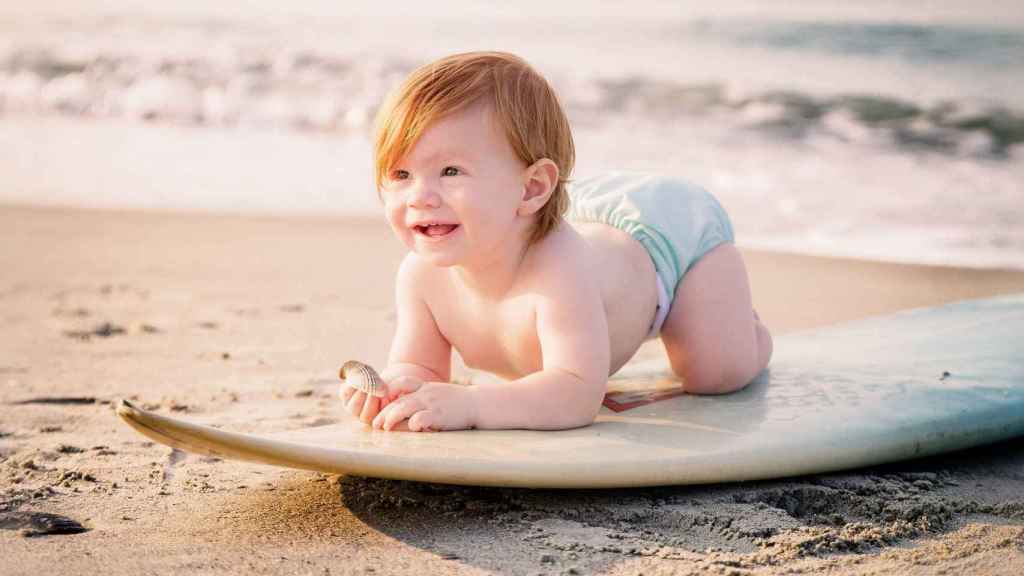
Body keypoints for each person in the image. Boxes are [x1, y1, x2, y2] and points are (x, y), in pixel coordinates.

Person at [342, 51, 772, 431]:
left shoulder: (558, 268)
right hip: (598, 226)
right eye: (401, 175)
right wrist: (395, 388)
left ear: (530, 189)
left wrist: (473, 403)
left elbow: (576, 394)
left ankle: (744, 325)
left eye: (450, 171)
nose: (419, 196)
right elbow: (420, 366)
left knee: (714, 374)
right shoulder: (421, 276)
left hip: (670, 243)